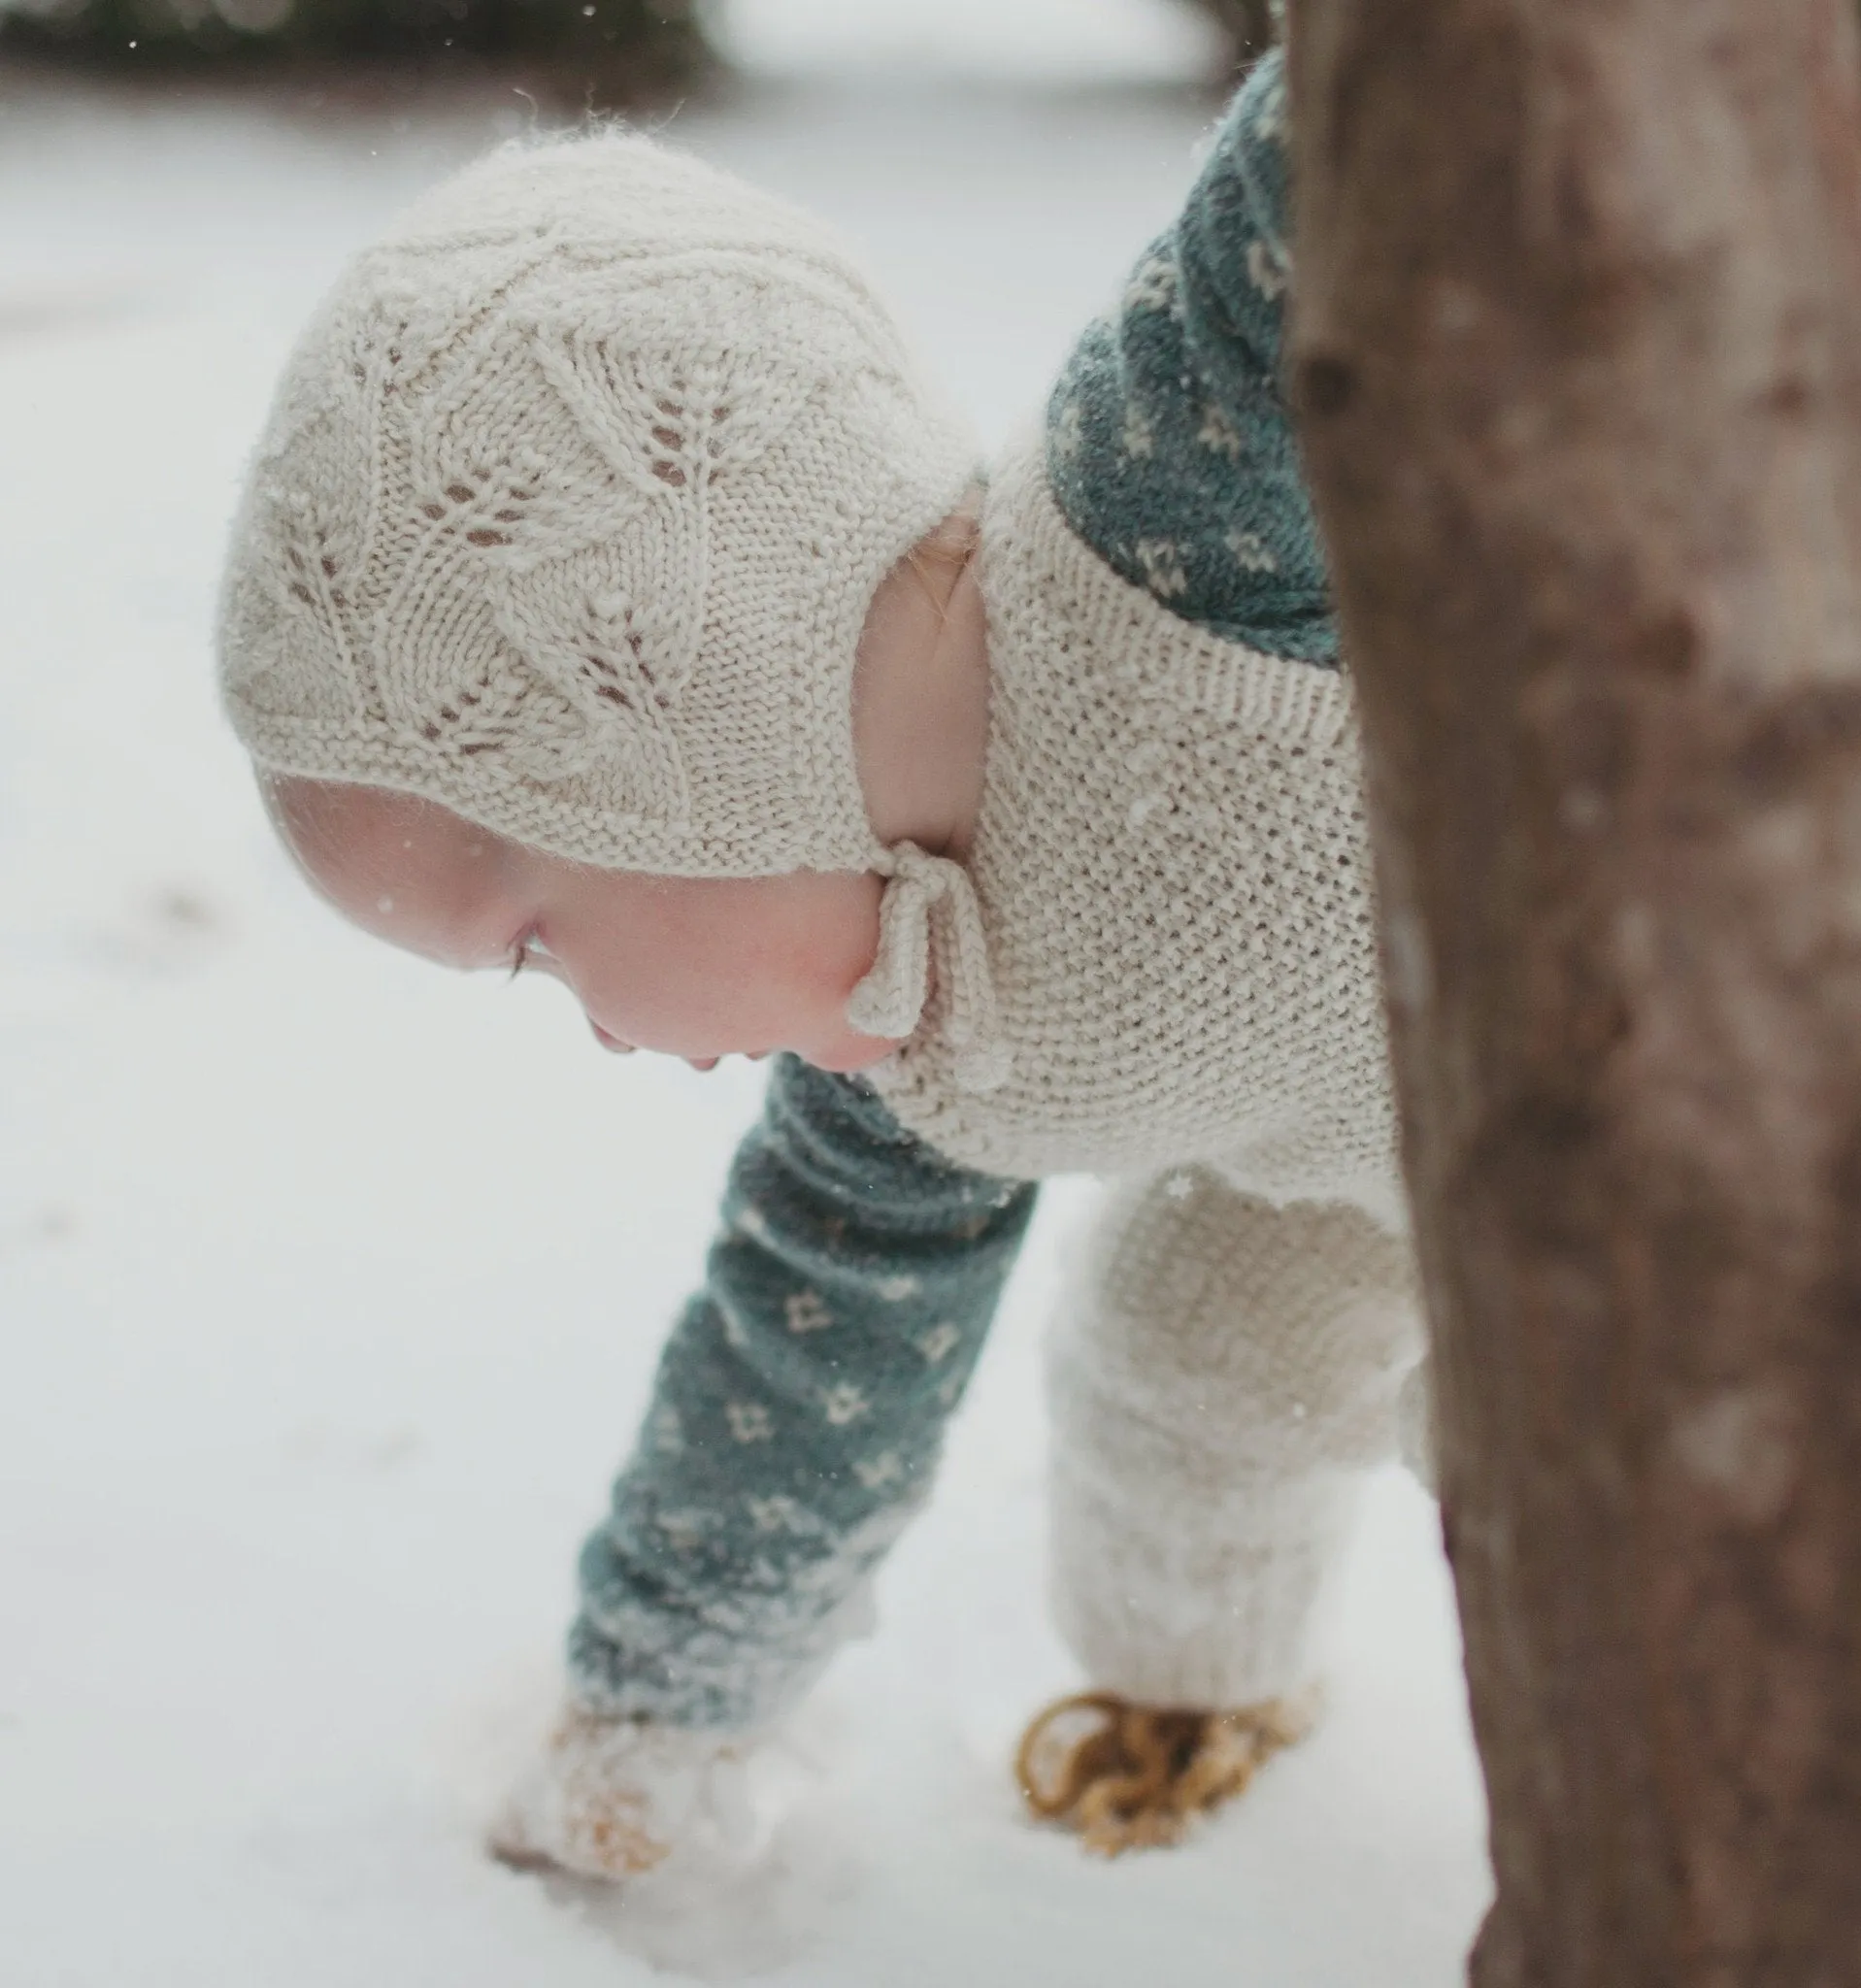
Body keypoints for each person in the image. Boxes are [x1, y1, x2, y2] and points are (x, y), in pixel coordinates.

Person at [217, 46, 1425, 1869]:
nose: (610, 1036)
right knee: (1186, 1345)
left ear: (666, 748)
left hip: (1722, 1095)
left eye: (539, 947)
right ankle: (1196, 1704)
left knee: (1562, 1445)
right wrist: (656, 1707)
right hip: (1358, 1171)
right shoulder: (905, 1054)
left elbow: (1342, 138)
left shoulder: (1161, 521)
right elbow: (792, 1389)